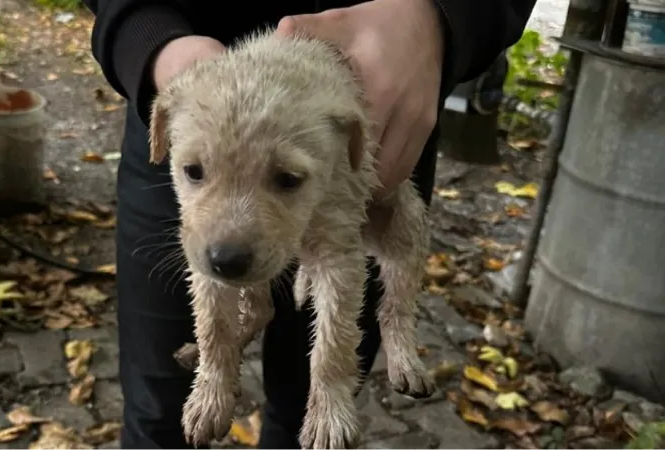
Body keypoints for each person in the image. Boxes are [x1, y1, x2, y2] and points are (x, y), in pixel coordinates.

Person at [81, 1, 536, 449]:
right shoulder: (176, 114)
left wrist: (440, 18)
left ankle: (392, 335)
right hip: (187, 85)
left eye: (286, 178)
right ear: (160, 134)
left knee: (307, 411)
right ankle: (220, 363)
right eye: (195, 172)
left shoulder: (348, 137)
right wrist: (152, 41)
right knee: (156, 406)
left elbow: (341, 262)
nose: (229, 235)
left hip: (381, 99)